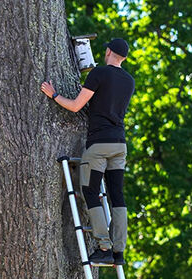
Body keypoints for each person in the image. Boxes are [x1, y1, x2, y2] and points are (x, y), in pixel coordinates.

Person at [41, 38, 135, 265]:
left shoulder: (99, 74)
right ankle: (119, 252)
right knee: (117, 196)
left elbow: (75, 106)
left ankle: (104, 246)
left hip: (99, 146)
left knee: (90, 191)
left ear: (108, 51)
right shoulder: (129, 81)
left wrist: (53, 94)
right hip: (119, 146)